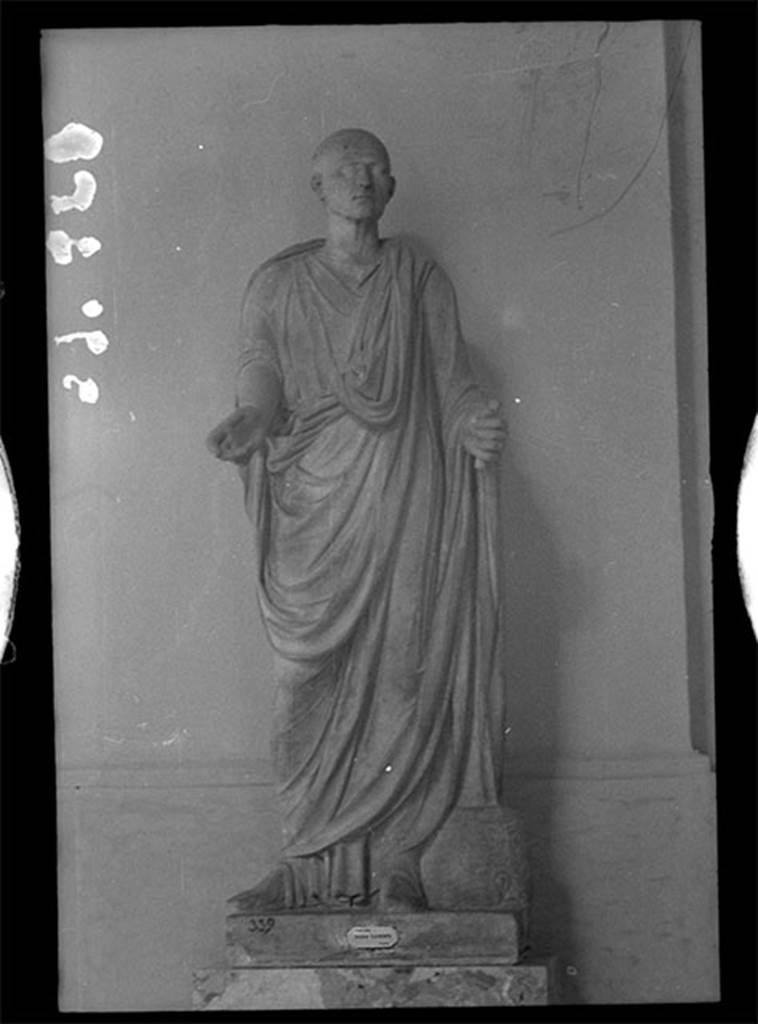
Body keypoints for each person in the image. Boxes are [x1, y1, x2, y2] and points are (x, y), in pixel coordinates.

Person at [206, 129, 506, 914]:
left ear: (392, 185)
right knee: (303, 682)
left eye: (372, 167)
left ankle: (401, 863)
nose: (359, 178)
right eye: (344, 167)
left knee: (405, 675)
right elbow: (260, 365)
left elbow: (454, 381)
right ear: (318, 186)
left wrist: (474, 421)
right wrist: (252, 415)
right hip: (313, 498)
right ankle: (303, 866)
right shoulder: (276, 284)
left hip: (405, 494)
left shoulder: (418, 279)